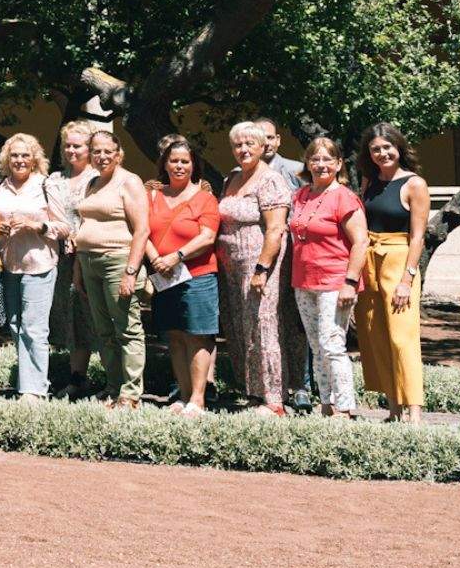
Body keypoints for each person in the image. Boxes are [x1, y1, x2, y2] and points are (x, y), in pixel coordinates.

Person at [215, 120, 305, 415]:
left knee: (264, 326)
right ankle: (253, 393)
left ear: (262, 146)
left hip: (259, 265)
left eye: (249, 144)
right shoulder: (232, 178)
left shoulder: (271, 180)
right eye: (237, 144)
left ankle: (274, 398)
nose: (243, 149)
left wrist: (262, 269)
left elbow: (276, 229)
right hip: (231, 268)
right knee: (241, 328)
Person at [355, 121, 429, 423]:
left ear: (398, 147)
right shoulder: (368, 181)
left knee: (402, 337)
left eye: (387, 147)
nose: (382, 153)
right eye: (376, 149)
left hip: (399, 260)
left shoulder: (414, 184)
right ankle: (393, 408)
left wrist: (407, 279)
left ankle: (414, 412)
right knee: (376, 335)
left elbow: (418, 237)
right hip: (370, 260)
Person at [288, 137, 367, 419]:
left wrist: (350, 282)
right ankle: (326, 404)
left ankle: (345, 407)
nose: (321, 164)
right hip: (304, 281)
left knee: (333, 344)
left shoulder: (344, 196)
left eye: (327, 159)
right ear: (307, 163)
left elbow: (360, 242)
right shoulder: (300, 195)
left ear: (338, 164)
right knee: (316, 345)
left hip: (335, 281)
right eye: (315, 159)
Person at [144, 135, 221, 415]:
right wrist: (155, 259)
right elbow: (142, 231)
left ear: (193, 165)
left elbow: (207, 237)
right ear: (164, 164)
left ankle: (198, 399)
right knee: (174, 336)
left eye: (185, 162)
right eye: (173, 161)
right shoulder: (152, 195)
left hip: (197, 274)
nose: (179, 166)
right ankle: (183, 394)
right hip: (164, 276)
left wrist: (175, 257)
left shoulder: (205, 198)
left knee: (197, 336)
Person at [73, 130, 148, 409]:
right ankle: (113, 386)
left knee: (127, 329)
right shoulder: (92, 182)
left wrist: (130, 271)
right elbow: (84, 227)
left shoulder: (129, 182)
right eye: (96, 151)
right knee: (103, 331)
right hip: (89, 262)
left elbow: (142, 230)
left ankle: (130, 394)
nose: (102, 156)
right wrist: (79, 269)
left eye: (108, 151)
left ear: (118, 154)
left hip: (118, 262)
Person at [0, 133, 64, 400]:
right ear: (7, 159)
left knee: (34, 328)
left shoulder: (45, 184)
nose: (19, 160)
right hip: (9, 265)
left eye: (25, 155)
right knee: (14, 326)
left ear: (34, 159)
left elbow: (65, 227)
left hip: (39, 265)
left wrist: (38, 225)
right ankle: (26, 384)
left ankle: (35, 390)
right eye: (14, 155)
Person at [48, 120, 98, 399]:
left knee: (99, 315)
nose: (70, 150)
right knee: (74, 315)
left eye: (77, 145)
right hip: (64, 258)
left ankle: (116, 382)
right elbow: (55, 217)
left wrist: (79, 235)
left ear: (89, 148)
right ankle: (77, 377)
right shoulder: (55, 180)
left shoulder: (100, 177)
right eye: (67, 145)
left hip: (93, 253)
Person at [255, 117, 305, 189]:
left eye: (270, 137)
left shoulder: (297, 170)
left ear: (278, 140)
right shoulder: (240, 175)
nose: (266, 143)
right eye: (260, 138)